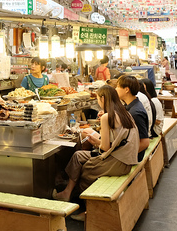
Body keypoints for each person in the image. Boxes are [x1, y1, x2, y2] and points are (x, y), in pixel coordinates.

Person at [53, 85, 138, 215]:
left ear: (103, 99)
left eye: (98, 98)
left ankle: (90, 213)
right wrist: (97, 139)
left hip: (118, 161)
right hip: (125, 158)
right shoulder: (124, 113)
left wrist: (94, 141)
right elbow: (115, 141)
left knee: (87, 170)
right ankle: (66, 193)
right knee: (78, 156)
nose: (98, 102)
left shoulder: (107, 117)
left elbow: (105, 147)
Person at [115, 75, 151, 160]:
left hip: (133, 157)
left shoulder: (135, 113)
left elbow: (145, 142)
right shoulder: (133, 105)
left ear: (126, 89)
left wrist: (124, 156)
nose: (115, 89)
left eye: (118, 86)